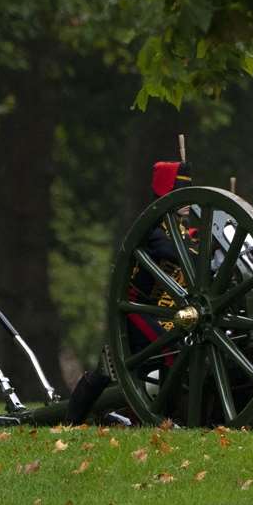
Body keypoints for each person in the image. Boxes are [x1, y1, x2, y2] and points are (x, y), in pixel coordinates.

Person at [64, 159, 192, 424]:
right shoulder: (152, 227)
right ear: (167, 193)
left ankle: (161, 415)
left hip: (168, 311)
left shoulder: (180, 228)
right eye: (181, 191)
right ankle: (70, 422)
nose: (188, 200)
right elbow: (170, 252)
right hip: (137, 310)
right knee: (113, 368)